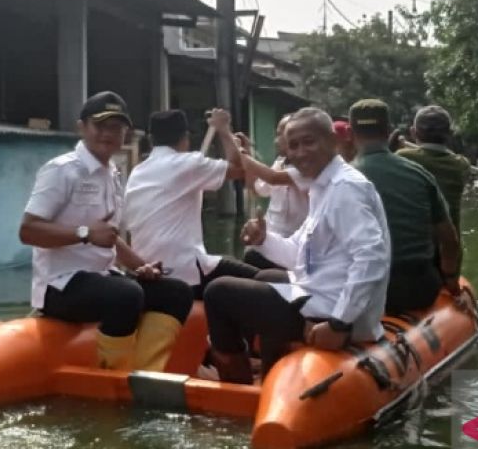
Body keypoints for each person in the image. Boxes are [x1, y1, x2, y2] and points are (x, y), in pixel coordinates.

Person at [203, 107, 391, 383]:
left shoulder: (345, 189)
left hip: (333, 313)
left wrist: (340, 323)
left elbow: (372, 258)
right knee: (268, 275)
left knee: (217, 292)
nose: (301, 152)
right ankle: (272, 373)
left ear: (331, 139)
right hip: (320, 297)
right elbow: (300, 255)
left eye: (309, 142)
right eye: (294, 145)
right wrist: (263, 239)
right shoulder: (322, 187)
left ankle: (236, 383)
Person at [19, 91, 193, 372]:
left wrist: (142, 266)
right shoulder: (61, 171)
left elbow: (109, 237)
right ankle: (116, 377)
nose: (109, 134)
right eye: (100, 126)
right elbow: (28, 231)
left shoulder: (112, 173)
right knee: (126, 295)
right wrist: (85, 233)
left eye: (117, 127)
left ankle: (147, 373)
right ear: (82, 128)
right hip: (59, 286)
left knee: (176, 292)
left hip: (101, 277)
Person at [122, 108, 259, 298]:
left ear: (151, 140)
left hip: (145, 266)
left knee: (225, 260)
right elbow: (239, 169)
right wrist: (223, 129)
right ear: (184, 138)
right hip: (183, 270)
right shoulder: (188, 163)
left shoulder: (137, 171)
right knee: (262, 280)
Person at [348, 99, 462, 314]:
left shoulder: (340, 179)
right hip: (419, 289)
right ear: (389, 130)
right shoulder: (420, 174)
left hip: (366, 292)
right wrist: (451, 282)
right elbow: (450, 240)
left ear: (350, 134)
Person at [241, 114, 310, 270]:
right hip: (269, 241)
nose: (276, 140)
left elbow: (273, 178)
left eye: (280, 134)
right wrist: (245, 154)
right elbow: (257, 189)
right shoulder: (280, 163)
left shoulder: (307, 168)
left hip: (292, 248)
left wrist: (241, 156)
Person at [398, 105, 473, 230]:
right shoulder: (462, 164)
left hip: (416, 242)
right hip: (450, 245)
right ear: (450, 133)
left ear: (413, 132)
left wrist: (398, 146)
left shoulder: (403, 157)